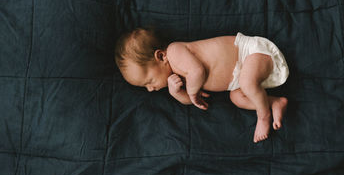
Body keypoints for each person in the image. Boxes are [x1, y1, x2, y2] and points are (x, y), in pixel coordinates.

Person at [115, 27, 289, 143]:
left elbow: (198, 71)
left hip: (250, 53)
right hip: (238, 78)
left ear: (161, 56)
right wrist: (177, 93)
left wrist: (191, 91)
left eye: (149, 81)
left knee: (247, 83)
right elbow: (192, 100)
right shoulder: (175, 79)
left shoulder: (175, 52)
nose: (150, 89)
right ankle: (273, 102)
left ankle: (263, 115)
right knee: (237, 97)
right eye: (146, 87)